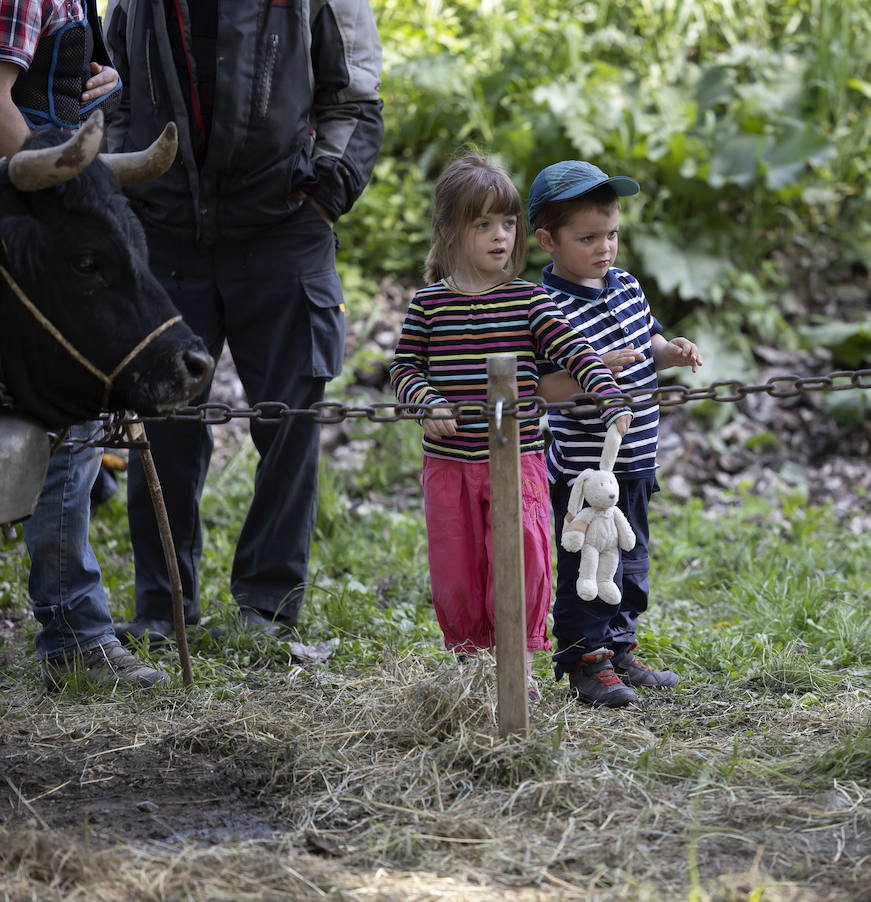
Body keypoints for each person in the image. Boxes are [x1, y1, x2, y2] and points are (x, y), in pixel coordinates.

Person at [102, 0, 384, 642]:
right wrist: (125, 200)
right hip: (165, 228)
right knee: (162, 426)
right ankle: (163, 608)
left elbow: (357, 93)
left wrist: (323, 195)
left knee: (288, 424)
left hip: (284, 227)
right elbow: (112, 90)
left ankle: (268, 608)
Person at [389, 153, 631, 702]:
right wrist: (426, 400)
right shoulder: (429, 305)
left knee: (521, 559)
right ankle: (472, 670)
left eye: (507, 223)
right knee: (457, 568)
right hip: (450, 465)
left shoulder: (529, 300)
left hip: (518, 460)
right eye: (482, 224)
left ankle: (517, 665)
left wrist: (605, 389)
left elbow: (575, 351)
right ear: (449, 231)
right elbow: (403, 368)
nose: (500, 236)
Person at [2, 0, 166, 689]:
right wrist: (65, 197)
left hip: (45, 213)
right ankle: (75, 635)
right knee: (63, 420)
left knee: (72, 422)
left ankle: (76, 631)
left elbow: (47, 82)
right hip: (26, 224)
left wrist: (96, 80)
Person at [526, 161, 703, 707]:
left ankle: (619, 645)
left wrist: (668, 353)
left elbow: (645, 341)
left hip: (636, 455)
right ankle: (584, 655)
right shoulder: (544, 307)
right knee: (586, 563)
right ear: (547, 241)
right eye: (587, 238)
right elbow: (541, 388)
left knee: (630, 558)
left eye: (612, 234)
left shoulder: (625, 285)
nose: (604, 248)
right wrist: (593, 367)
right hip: (584, 469)